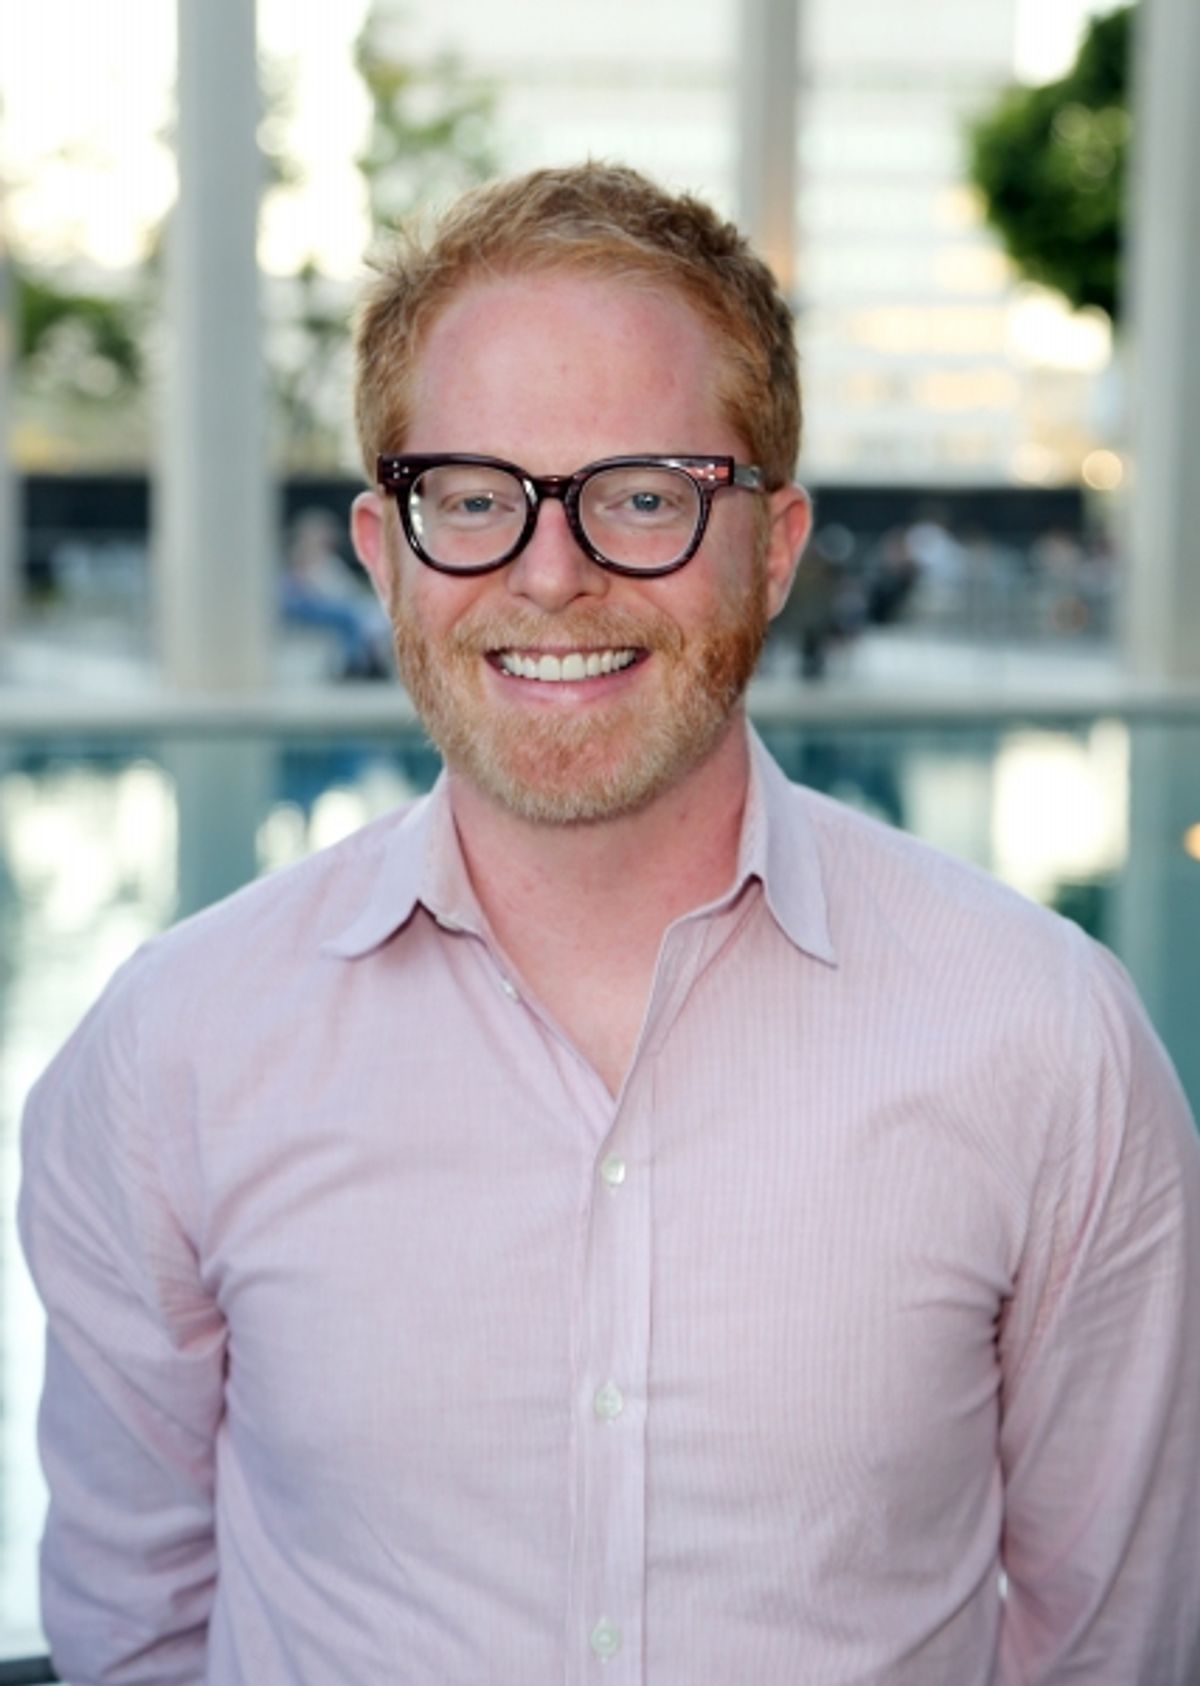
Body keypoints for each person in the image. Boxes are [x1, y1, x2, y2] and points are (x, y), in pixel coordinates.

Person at [18, 163, 1200, 1685]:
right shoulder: (173, 1052)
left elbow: (1116, 1641)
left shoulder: (1047, 1042)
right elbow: (139, 1637)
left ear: (774, 549)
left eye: (645, 494)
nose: (553, 571)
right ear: (386, 554)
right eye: (472, 497)